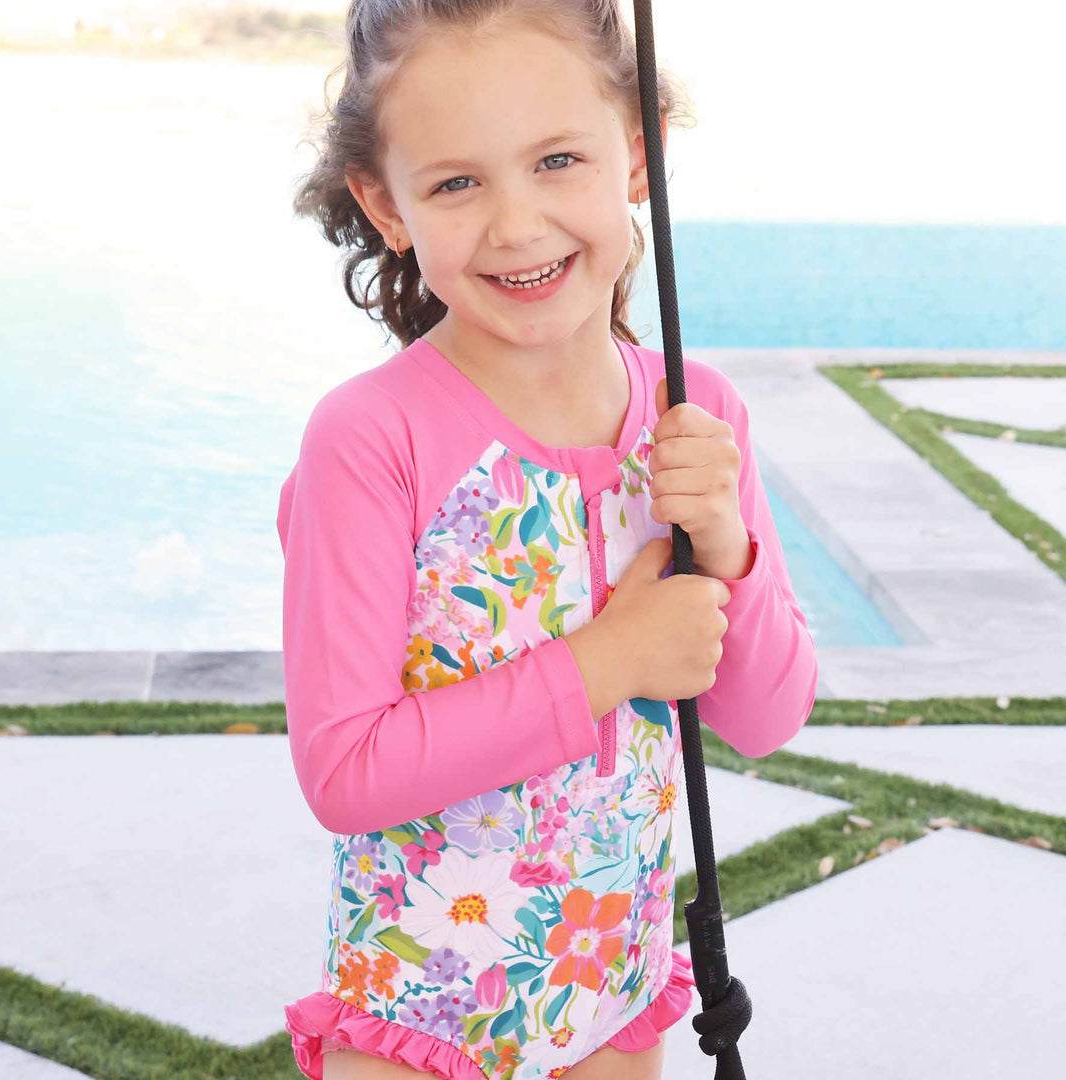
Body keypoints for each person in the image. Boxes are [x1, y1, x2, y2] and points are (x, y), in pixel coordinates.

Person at [277, 1, 818, 1077]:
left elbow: (767, 717)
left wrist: (724, 545)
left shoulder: (693, 411)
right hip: (421, 1025)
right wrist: (613, 660)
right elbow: (346, 769)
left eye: (558, 160)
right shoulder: (372, 438)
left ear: (637, 154)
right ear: (386, 205)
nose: (516, 225)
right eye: (457, 183)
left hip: (615, 1009)